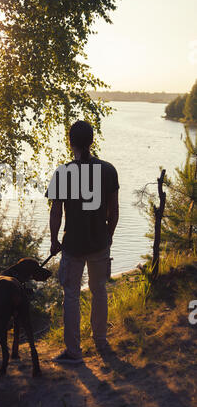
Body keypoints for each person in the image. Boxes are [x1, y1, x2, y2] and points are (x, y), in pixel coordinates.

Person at [45, 120, 119, 364]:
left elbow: (56, 212)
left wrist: (55, 240)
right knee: (99, 291)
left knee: (72, 296)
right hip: (99, 244)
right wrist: (108, 235)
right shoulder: (108, 170)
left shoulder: (63, 173)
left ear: (70, 142)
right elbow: (114, 210)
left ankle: (74, 352)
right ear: (92, 141)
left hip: (73, 246)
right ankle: (101, 341)